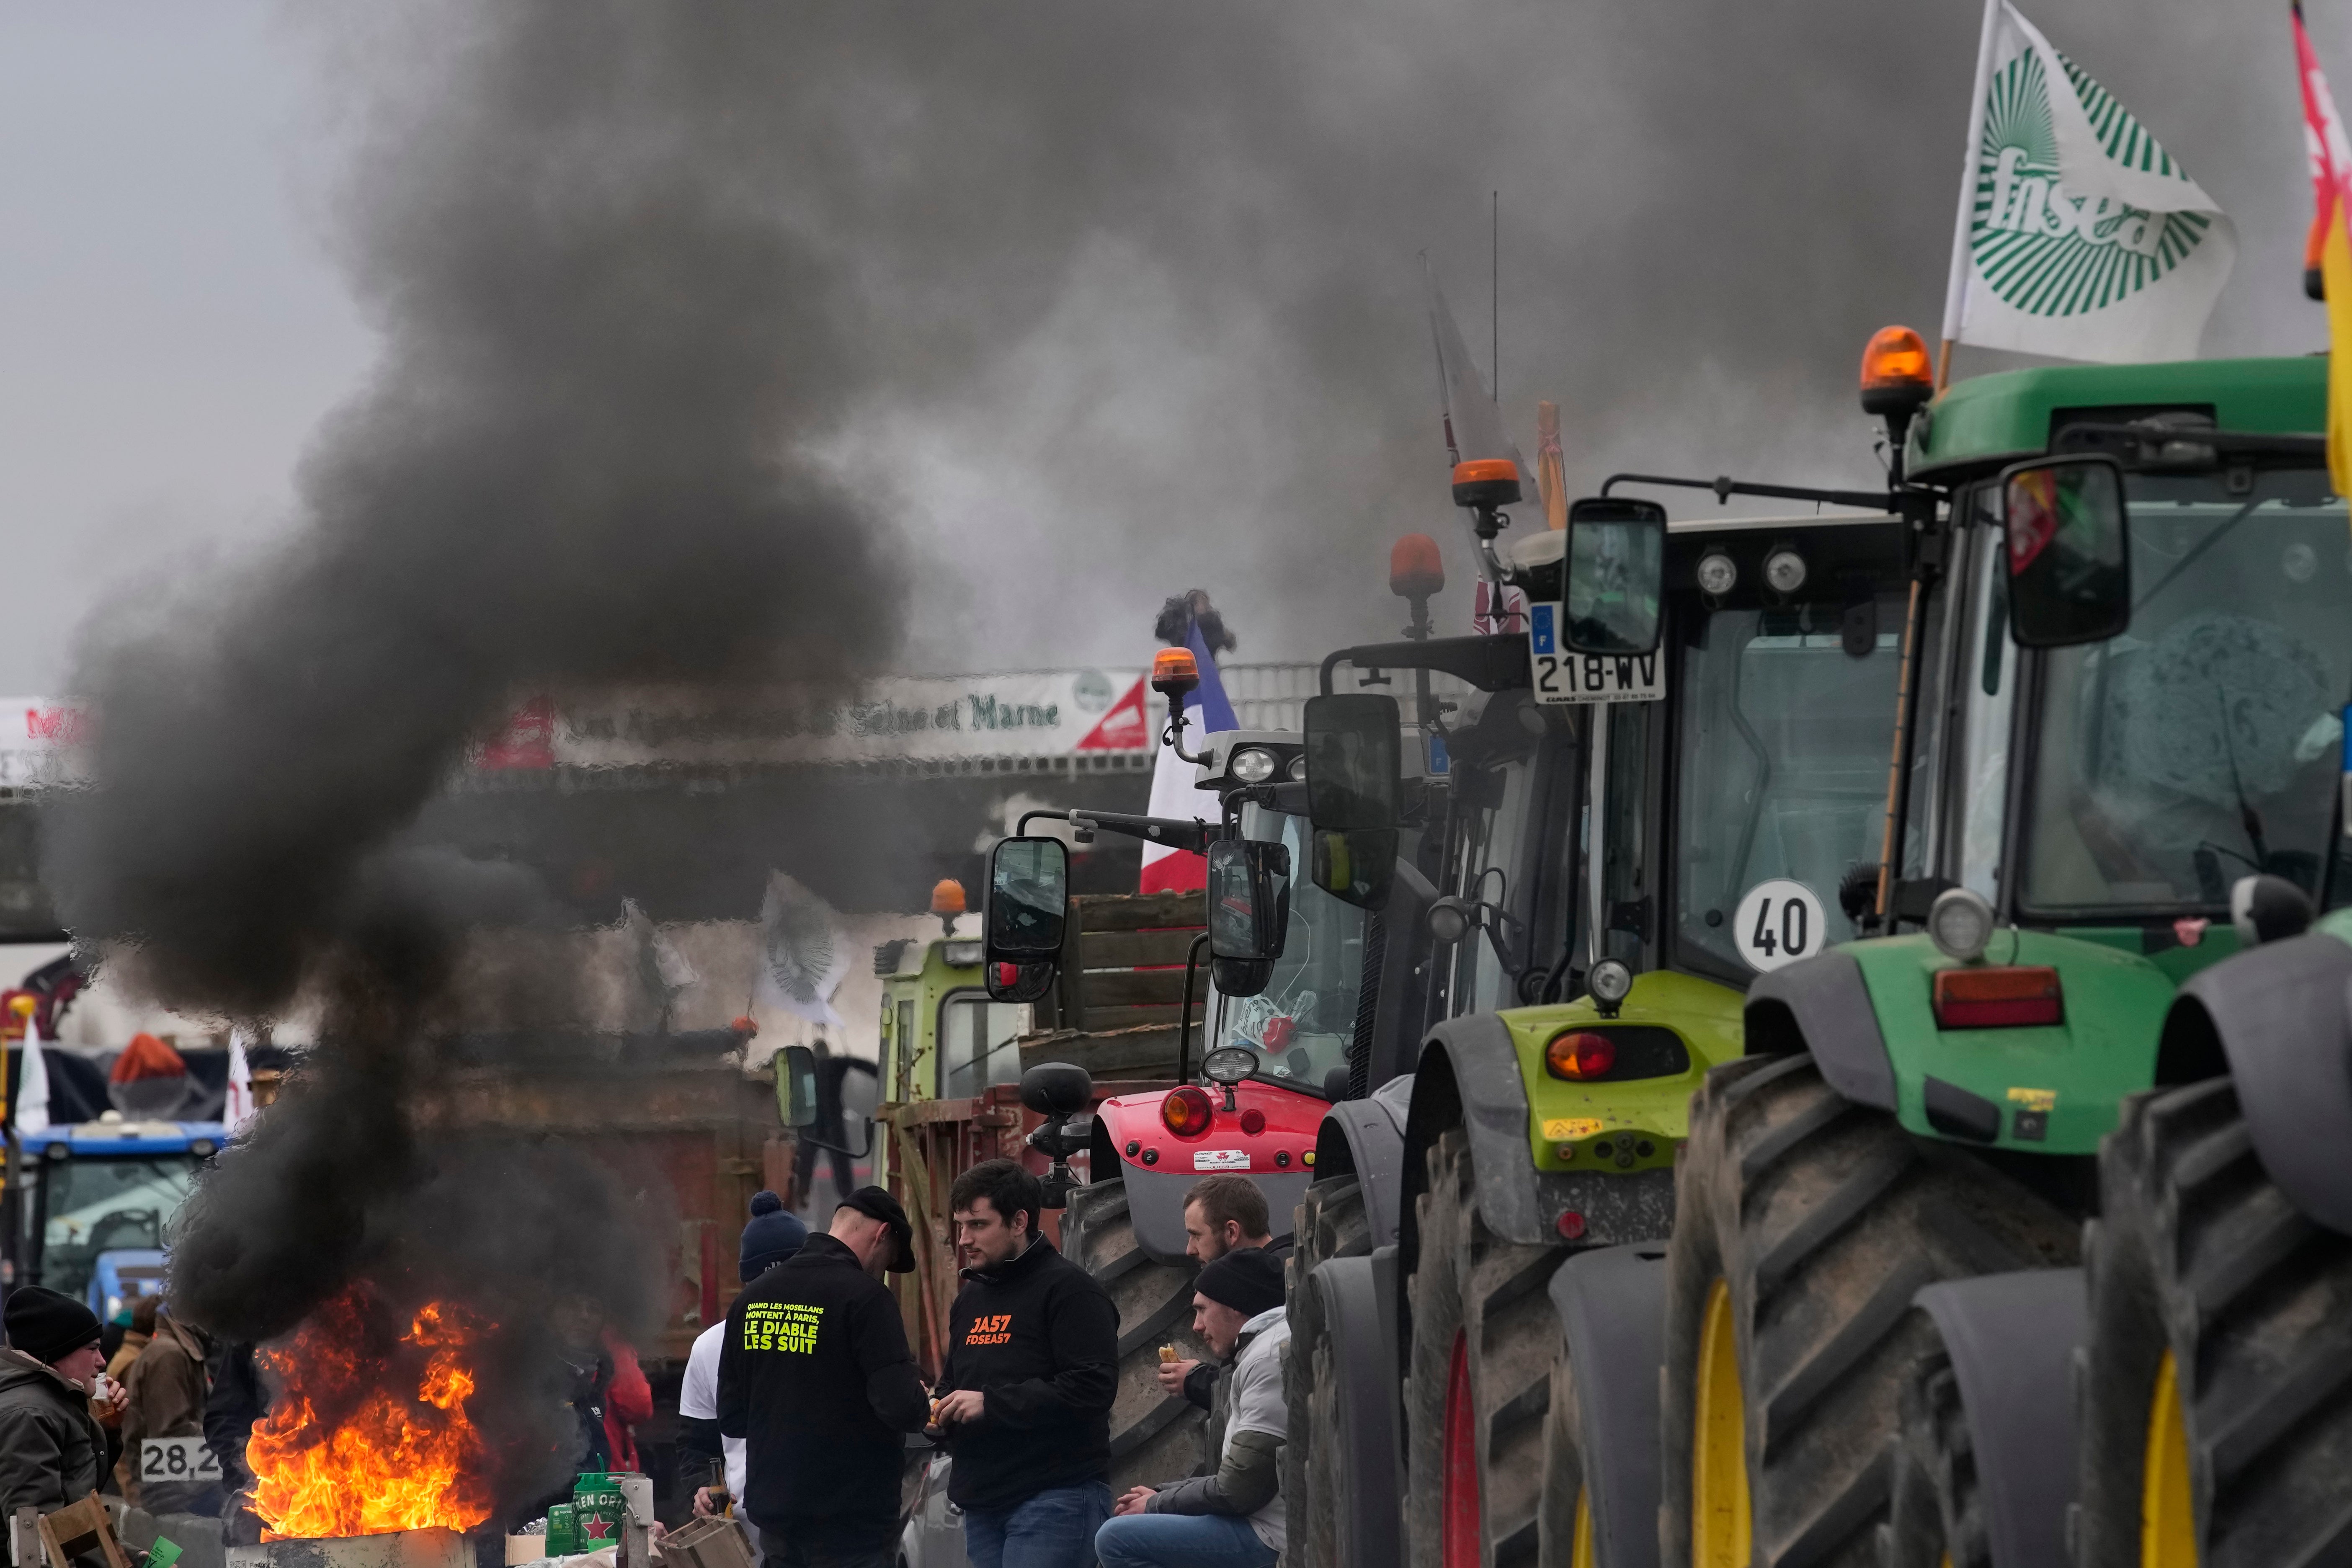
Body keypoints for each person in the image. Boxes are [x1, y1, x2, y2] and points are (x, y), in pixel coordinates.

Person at [718, 1186, 928, 1568]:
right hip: (851, 1526)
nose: (881, 1273)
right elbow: (902, 1407)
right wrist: (920, 1397)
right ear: (882, 1235)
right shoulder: (867, 1298)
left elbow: (732, 1417)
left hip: (778, 1523)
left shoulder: (750, 1300)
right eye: (888, 1261)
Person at [929, 1159, 1117, 1568]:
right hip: (983, 1502)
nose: (964, 1239)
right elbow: (955, 1381)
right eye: (961, 1226)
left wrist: (990, 1404)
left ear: (1019, 1222)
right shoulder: (970, 1299)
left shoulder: (1070, 1291)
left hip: (1054, 1497)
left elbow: (1093, 1387)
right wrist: (939, 1407)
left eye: (978, 1225)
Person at [1094, 1250, 1289, 1568]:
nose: (1196, 1326)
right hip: (1260, 1521)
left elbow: (1239, 1490)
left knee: (1115, 1539)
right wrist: (1161, 1493)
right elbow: (1241, 1476)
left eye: (1202, 1310)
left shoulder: (1267, 1359)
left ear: (1235, 1305)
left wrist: (1157, 1504)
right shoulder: (1261, 1350)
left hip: (1269, 1535)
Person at [681, 1190, 809, 1555]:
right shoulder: (710, 1347)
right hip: (743, 1535)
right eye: (767, 1282)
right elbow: (697, 1442)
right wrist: (701, 1487)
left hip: (822, 1529)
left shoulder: (830, 1332)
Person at [0, 1287, 124, 1520]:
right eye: (92, 1348)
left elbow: (77, 1497)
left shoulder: (48, 1403)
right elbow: (35, 1532)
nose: (102, 1361)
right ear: (57, 1351)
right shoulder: (30, 1415)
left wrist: (106, 1429)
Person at [1158, 1176, 1279, 1412]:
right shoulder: (1281, 1270)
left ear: (1232, 1232)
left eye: (1196, 1235)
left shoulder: (1281, 1283)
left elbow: (1263, 1386)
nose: (1190, 1249)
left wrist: (1198, 1381)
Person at [122, 1304, 221, 1515]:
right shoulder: (169, 1355)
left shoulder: (175, 1350)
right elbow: (172, 1433)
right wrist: (230, 1446)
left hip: (177, 1487)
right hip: (170, 1492)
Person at [790, 1042, 858, 1208]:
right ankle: (849, 1198)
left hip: (812, 1123)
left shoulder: (808, 1068)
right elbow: (859, 1064)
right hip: (831, 1123)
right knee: (840, 1164)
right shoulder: (835, 1064)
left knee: (805, 1161)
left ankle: (802, 1193)